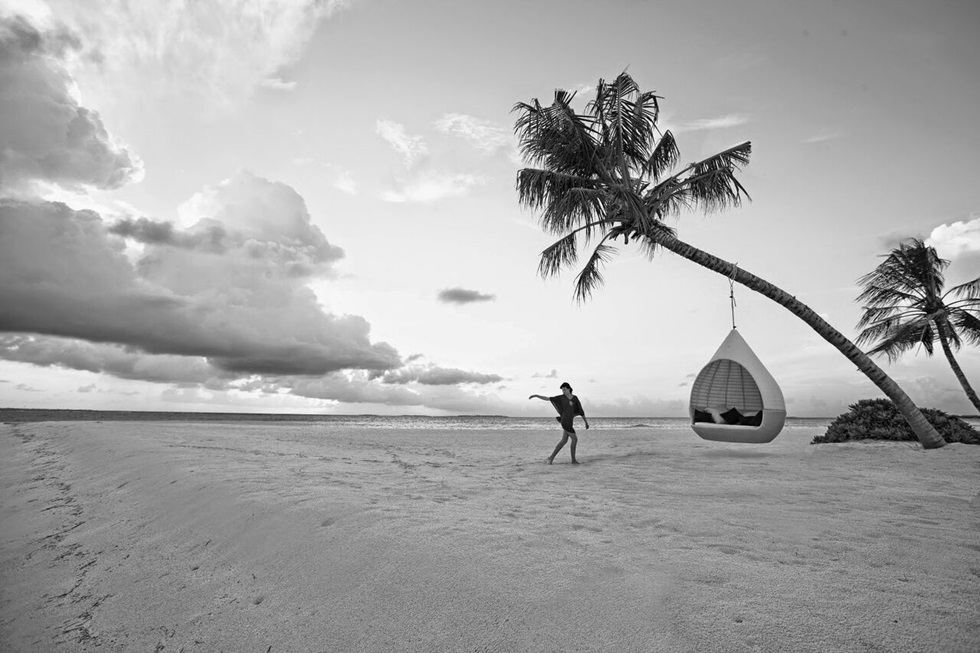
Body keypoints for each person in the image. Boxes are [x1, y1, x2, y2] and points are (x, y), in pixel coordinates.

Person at [529, 382, 590, 464]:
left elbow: (581, 410)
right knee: (575, 439)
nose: (563, 392)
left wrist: (586, 422)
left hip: (570, 421)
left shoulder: (575, 398)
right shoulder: (561, 398)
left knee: (564, 440)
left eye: (564, 390)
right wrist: (536, 395)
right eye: (562, 390)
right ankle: (573, 460)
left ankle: (551, 458)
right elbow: (548, 398)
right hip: (565, 421)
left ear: (569, 389)